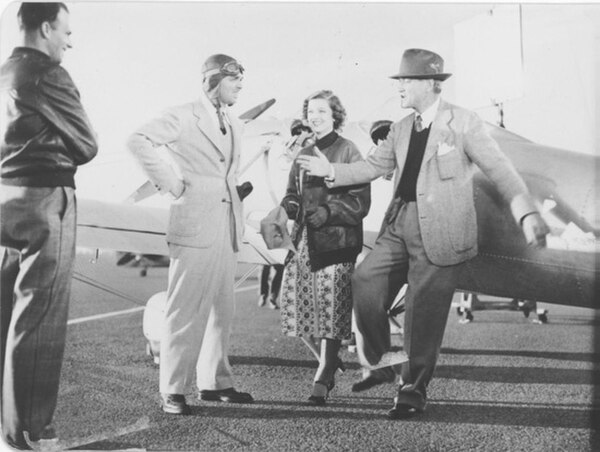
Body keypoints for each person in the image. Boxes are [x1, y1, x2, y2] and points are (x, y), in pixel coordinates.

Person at [296, 49, 548, 419]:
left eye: (405, 81)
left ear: (430, 84)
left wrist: (525, 211)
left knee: (421, 316)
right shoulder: (399, 129)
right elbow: (370, 167)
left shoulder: (462, 122)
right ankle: (385, 361)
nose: (399, 88)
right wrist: (330, 169)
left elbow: (500, 169)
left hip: (443, 232)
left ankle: (412, 391)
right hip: (399, 225)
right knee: (364, 281)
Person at [127, 53, 253, 416]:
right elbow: (137, 140)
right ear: (213, 81)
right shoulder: (183, 115)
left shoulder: (235, 123)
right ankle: (173, 390)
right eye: (234, 80)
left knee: (221, 310)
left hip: (227, 226)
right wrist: (171, 183)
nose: (240, 86)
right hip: (194, 223)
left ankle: (215, 382)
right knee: (182, 310)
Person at [0, 3, 98, 448]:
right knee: (40, 320)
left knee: (6, 316)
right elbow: (86, 144)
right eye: (65, 31)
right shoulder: (49, 74)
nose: (69, 40)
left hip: (5, 196)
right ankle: (31, 433)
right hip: (45, 200)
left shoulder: (4, 72)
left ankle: (8, 430)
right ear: (45, 28)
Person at [279, 90, 371, 405]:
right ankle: (329, 360)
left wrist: (328, 212)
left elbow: (361, 202)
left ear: (335, 115)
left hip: (337, 241)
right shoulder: (304, 152)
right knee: (296, 300)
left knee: (332, 304)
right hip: (305, 239)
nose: (315, 116)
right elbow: (292, 194)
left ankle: (325, 368)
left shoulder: (349, 150)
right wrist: (284, 210)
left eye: (322, 111)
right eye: (311, 112)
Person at [258, 119, 312, 310]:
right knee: (269, 259)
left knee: (282, 261)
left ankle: (273, 297)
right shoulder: (288, 148)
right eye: (305, 131)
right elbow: (288, 161)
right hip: (287, 207)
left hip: (300, 211)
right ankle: (264, 294)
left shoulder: (308, 149)